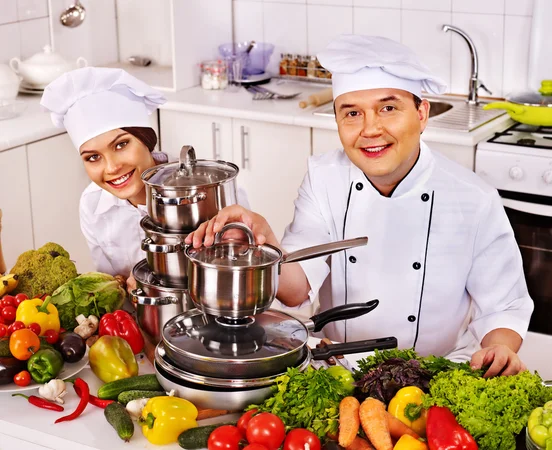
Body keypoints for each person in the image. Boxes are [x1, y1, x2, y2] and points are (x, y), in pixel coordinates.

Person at [186, 35, 534, 377]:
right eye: (352, 113)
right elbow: (295, 291)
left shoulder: (473, 198)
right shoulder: (324, 179)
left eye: (388, 108)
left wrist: (499, 348)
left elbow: (504, 308)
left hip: (437, 378)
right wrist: (264, 243)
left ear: (422, 113)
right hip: (338, 373)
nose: (370, 129)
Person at [40, 67, 168, 280]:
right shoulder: (92, 204)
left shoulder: (208, 187)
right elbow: (110, 280)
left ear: (146, 139)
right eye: (93, 157)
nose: (111, 168)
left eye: (121, 145)